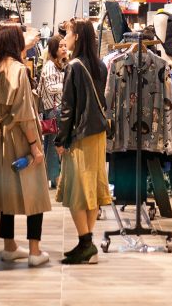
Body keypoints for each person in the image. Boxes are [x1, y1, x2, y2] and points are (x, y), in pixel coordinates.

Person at [0, 24, 51, 268]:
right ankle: (34, 250)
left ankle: (9, 246)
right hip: (19, 137)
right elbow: (25, 115)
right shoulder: (18, 70)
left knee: (7, 193)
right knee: (35, 193)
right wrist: (34, 146)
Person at [55, 18, 112, 265]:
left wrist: (61, 139)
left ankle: (86, 244)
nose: (64, 38)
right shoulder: (100, 65)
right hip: (98, 134)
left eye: (67, 34)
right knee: (92, 190)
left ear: (77, 36)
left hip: (80, 135)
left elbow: (67, 108)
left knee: (76, 191)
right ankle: (87, 247)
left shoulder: (74, 66)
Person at [38, 35, 68, 187]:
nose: (64, 48)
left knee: (54, 144)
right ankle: (55, 178)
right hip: (53, 110)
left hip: (56, 109)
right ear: (54, 49)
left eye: (65, 45)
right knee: (53, 145)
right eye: (60, 46)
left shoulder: (62, 64)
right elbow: (50, 88)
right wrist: (67, 82)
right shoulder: (50, 66)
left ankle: (54, 177)